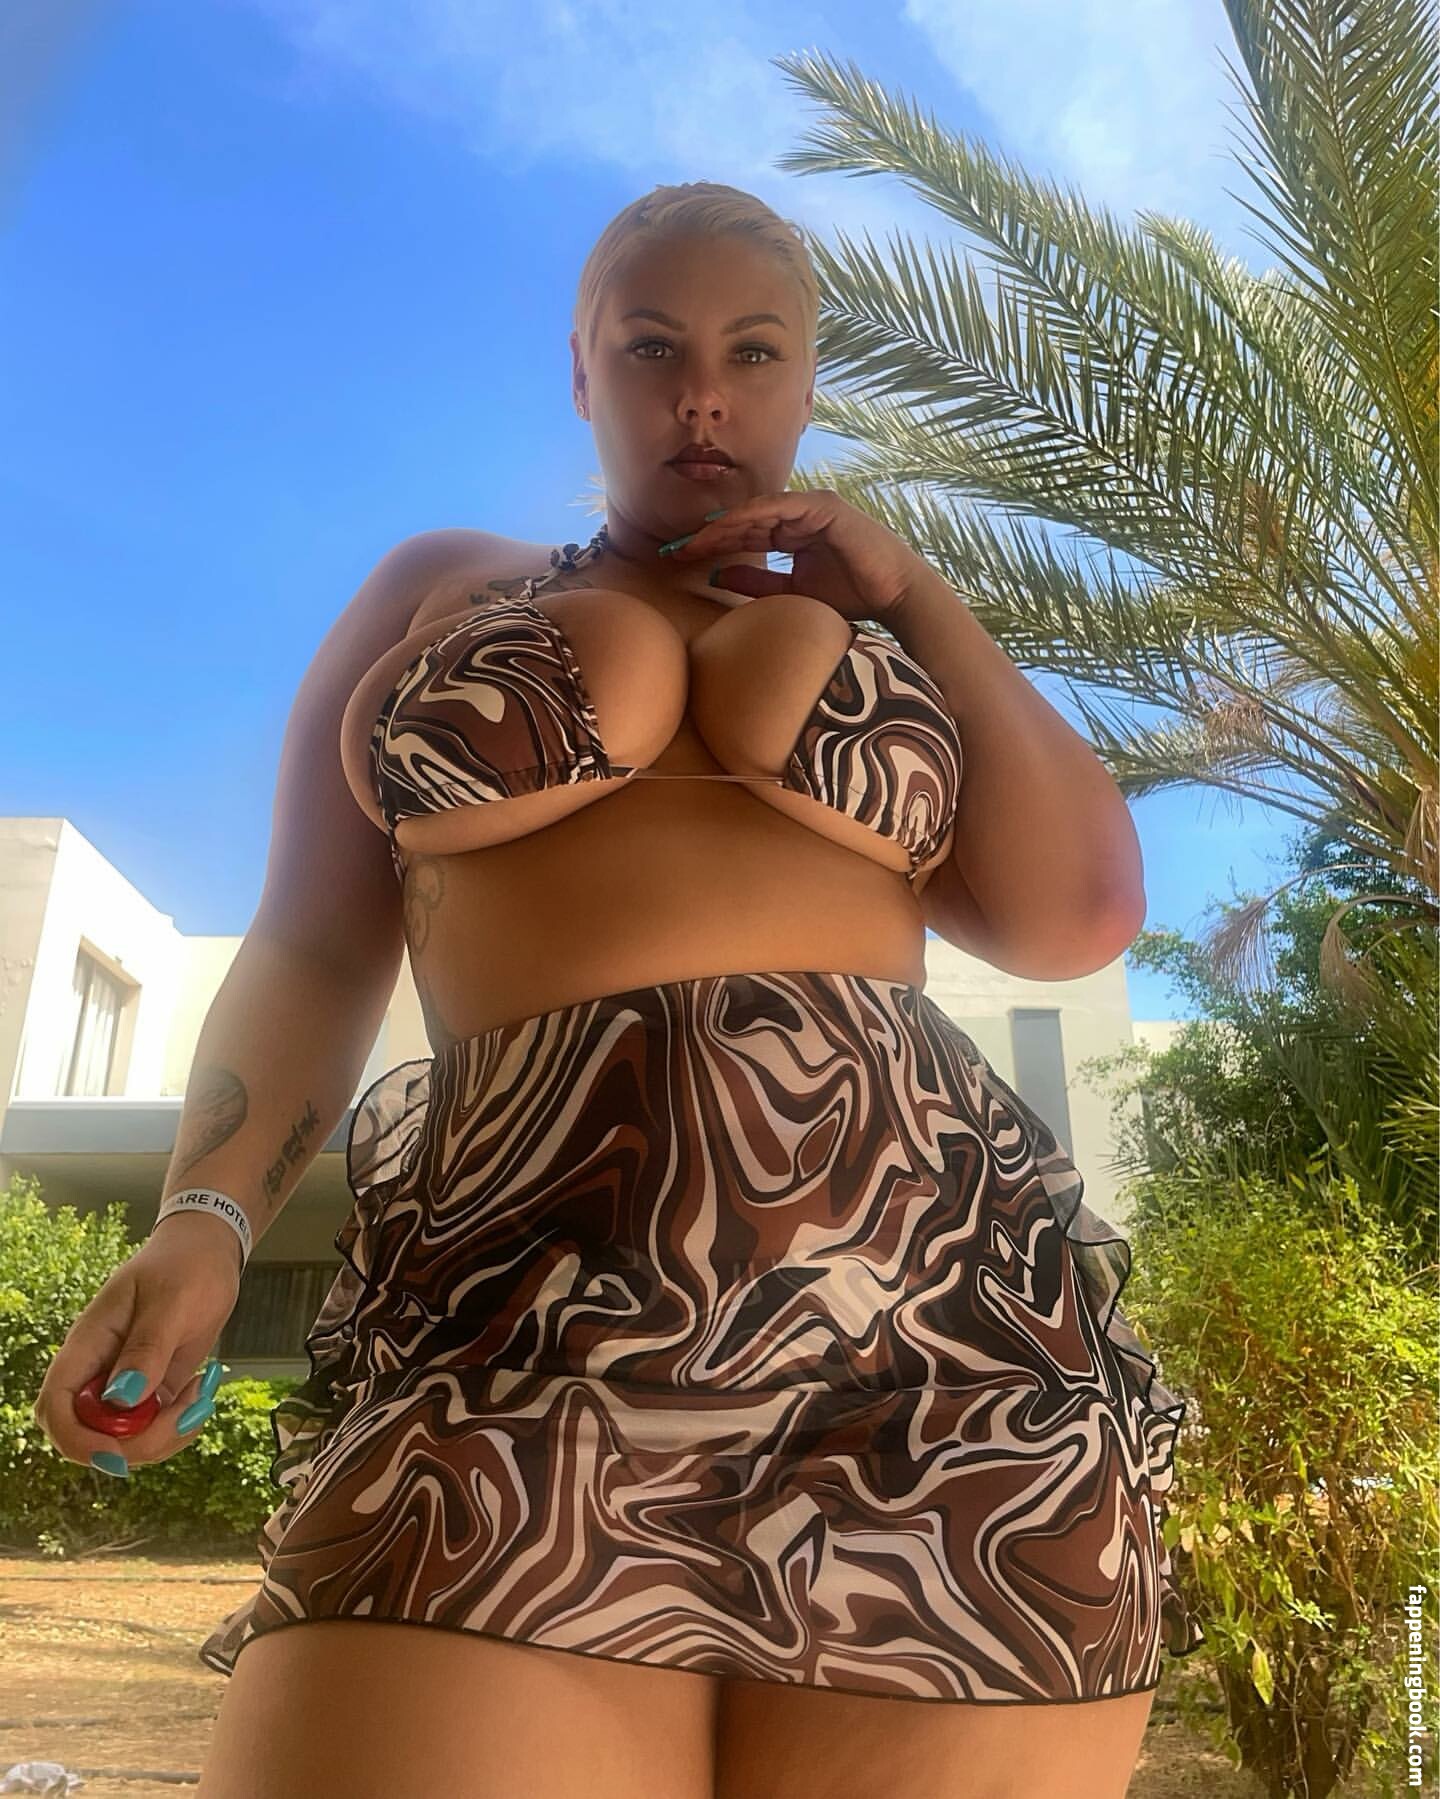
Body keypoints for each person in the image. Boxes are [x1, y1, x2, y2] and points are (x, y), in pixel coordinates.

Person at [47, 181, 1204, 1799]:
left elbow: (1082, 913)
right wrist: (205, 1223)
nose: (703, 394)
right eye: (653, 346)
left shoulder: (883, 622)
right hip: (517, 1332)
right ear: (581, 368)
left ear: (808, 380)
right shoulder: (448, 584)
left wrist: (913, 593)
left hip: (939, 1366)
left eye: (755, 351)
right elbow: (311, 941)